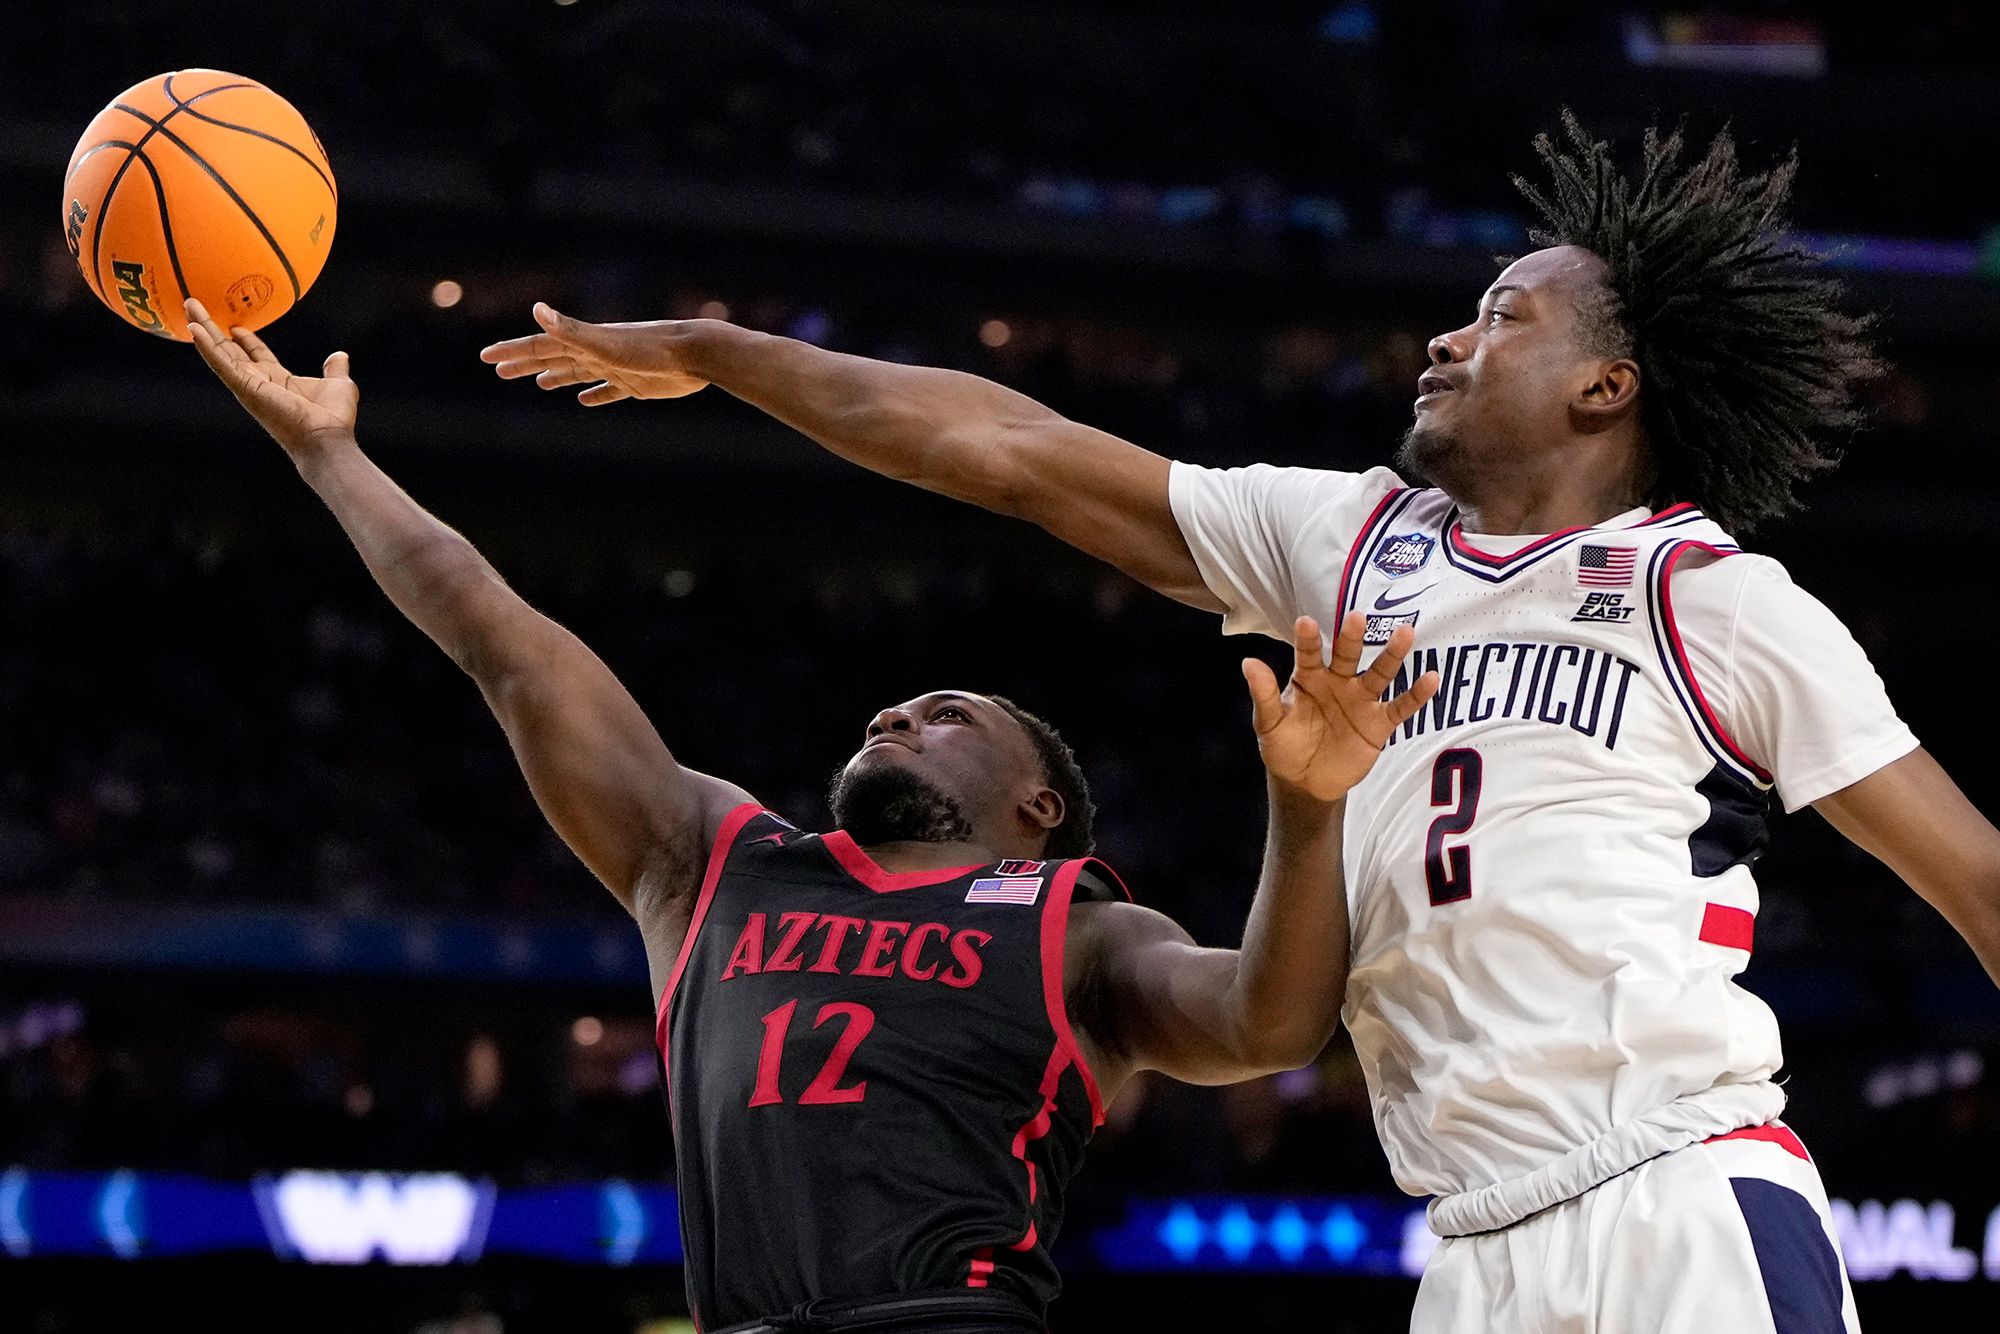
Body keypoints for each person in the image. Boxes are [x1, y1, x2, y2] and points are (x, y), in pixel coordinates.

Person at [481, 114, 2000, 1333]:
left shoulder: (1714, 601)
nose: (1450, 340)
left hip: (1682, 1187)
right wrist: (728, 354)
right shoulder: (1354, 543)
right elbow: (1012, 450)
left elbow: (1977, 881)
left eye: (1501, 316)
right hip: (1470, 1238)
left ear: (1607, 385)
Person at [184, 296, 1436, 1333]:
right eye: (888, 713)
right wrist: (327, 455)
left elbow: (1268, 1023)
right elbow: (500, 640)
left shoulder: (1074, 924)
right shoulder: (711, 858)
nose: (895, 720)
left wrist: (1305, 803)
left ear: (1037, 803)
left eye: (946, 713)